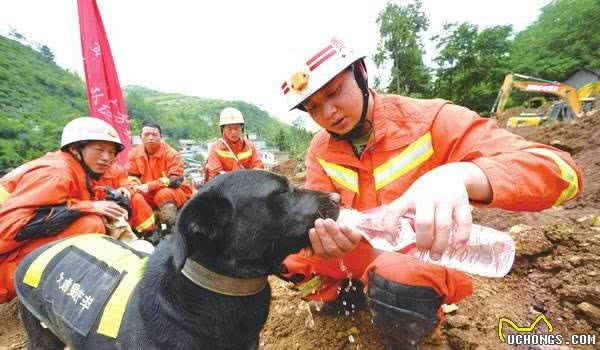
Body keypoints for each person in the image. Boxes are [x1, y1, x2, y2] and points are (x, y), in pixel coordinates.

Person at [279, 37, 582, 348]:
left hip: (419, 254)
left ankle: (407, 325)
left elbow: (560, 171)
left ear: (361, 72)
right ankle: (344, 295)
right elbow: (317, 208)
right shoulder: (320, 149)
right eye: (312, 107)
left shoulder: (432, 120)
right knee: (283, 254)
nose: (329, 113)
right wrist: (323, 232)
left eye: (334, 92)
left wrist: (461, 175)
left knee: (398, 281)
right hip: (357, 250)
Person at [0, 117, 129, 303]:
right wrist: (87, 207)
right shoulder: (56, 174)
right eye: (99, 150)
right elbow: (6, 231)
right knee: (90, 225)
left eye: (111, 152)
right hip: (6, 266)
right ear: (75, 149)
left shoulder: (75, 170)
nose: (107, 158)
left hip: (12, 254)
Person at [126, 121, 192, 228]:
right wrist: (135, 187)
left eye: (154, 135)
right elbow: (132, 176)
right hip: (148, 193)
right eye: (147, 135)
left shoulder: (171, 153)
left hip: (175, 191)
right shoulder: (134, 153)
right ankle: (148, 232)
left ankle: (170, 229)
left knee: (163, 194)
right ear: (140, 137)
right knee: (134, 196)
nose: (150, 138)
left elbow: (176, 180)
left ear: (160, 137)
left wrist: (150, 186)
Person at [204, 107, 264, 182]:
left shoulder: (250, 146)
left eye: (236, 128)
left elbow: (259, 167)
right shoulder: (215, 148)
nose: (234, 132)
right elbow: (216, 175)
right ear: (223, 129)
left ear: (241, 128)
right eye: (229, 128)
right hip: (224, 190)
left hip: (247, 187)